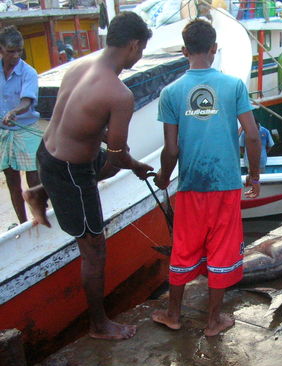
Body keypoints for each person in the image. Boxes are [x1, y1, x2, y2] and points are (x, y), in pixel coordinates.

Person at [23, 12, 154, 340]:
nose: (139, 57)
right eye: (141, 50)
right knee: (95, 247)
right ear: (134, 45)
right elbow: (116, 155)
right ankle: (99, 324)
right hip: (71, 170)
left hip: (47, 154)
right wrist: (135, 166)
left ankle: (39, 192)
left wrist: (126, 162)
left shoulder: (80, 66)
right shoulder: (120, 95)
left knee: (95, 157)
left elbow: (90, 132)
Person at [150, 19, 262, 337]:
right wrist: (253, 176)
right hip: (225, 184)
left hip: (190, 185)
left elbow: (171, 148)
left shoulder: (170, 92)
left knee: (184, 247)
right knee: (222, 250)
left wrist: (163, 176)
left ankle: (173, 314)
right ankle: (213, 321)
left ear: (185, 51)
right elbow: (252, 137)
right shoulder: (233, 86)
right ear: (214, 49)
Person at [0, 26, 42, 226]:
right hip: (4, 132)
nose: (16, 55)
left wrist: (13, 112)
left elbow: (26, 102)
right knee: (12, 180)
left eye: (19, 51)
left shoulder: (29, 72)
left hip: (25, 129)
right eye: (11, 51)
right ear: (1, 49)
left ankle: (39, 218)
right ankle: (23, 222)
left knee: (33, 178)